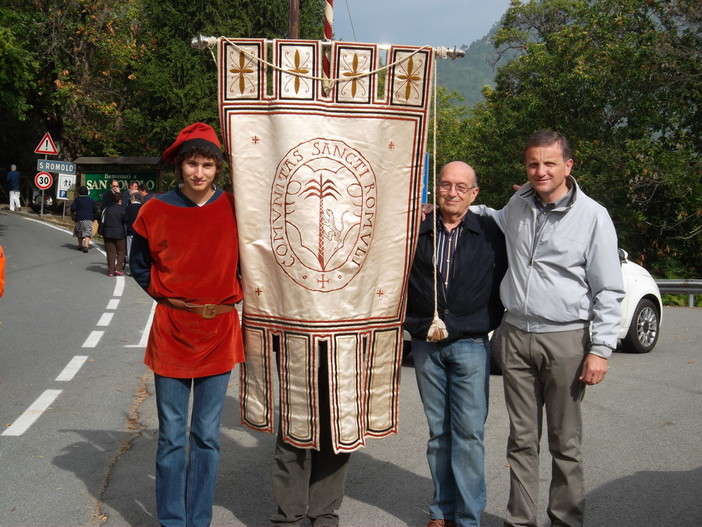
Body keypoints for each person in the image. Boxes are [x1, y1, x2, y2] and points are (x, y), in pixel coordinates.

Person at [474, 130, 625, 527]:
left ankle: (565, 520)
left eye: (549, 163)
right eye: (533, 164)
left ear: (568, 166)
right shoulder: (518, 204)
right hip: (516, 335)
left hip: (567, 340)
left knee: (565, 442)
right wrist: (449, 207)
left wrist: (601, 349)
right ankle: (519, 520)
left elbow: (609, 288)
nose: (540, 171)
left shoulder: (593, 216)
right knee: (521, 440)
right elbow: (493, 219)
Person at [129, 122, 244, 527]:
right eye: (192, 163)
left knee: (207, 436)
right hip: (172, 331)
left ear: (218, 169)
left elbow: (250, 264)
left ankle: (200, 520)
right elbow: (139, 266)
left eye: (207, 165)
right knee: (172, 437)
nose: (199, 172)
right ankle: (172, 521)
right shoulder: (154, 210)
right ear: (181, 166)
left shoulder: (235, 208)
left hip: (220, 332)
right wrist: (172, 300)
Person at [405, 161, 507, 527]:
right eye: (446, 185)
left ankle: (467, 517)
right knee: (439, 434)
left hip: (471, 344)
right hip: (425, 344)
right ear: (437, 189)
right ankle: (440, 510)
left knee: (468, 435)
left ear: (474, 194)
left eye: (461, 187)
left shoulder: (492, 232)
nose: (452, 192)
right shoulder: (416, 228)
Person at [101, 193, 127, 276]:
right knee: (121, 251)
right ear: (120, 200)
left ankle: (110, 271)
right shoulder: (122, 210)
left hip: (107, 233)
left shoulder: (106, 209)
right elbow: (125, 220)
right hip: (119, 233)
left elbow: (102, 220)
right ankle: (118, 268)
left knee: (110, 252)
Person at [70, 186, 98, 253]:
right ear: (87, 193)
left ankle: (80, 245)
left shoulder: (77, 199)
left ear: (79, 192)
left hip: (79, 218)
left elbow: (73, 208)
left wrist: (73, 212)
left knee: (79, 232)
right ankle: (86, 246)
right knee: (87, 233)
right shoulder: (91, 200)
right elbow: (95, 210)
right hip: (88, 219)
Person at [123, 191, 143, 269]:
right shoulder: (143, 207)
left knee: (130, 250)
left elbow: (125, 219)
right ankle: (139, 266)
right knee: (139, 250)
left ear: (133, 199)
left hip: (130, 231)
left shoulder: (129, 207)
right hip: (140, 232)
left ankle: (132, 269)